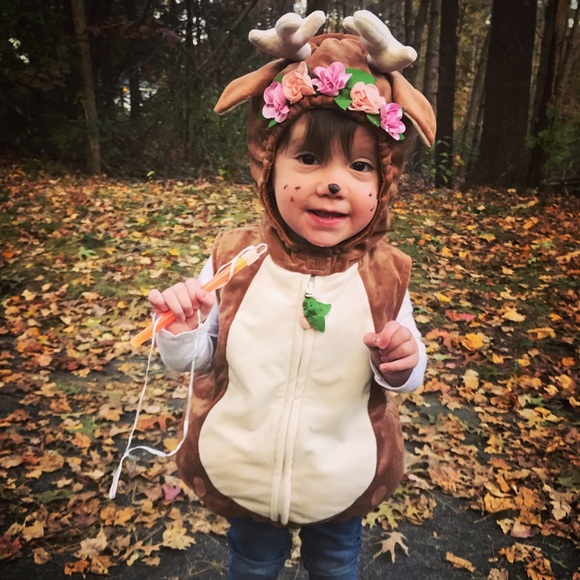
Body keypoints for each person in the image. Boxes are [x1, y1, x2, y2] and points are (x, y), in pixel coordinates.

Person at [148, 10, 435, 580]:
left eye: (359, 166)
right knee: (252, 565)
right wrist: (181, 332)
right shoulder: (235, 258)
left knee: (336, 565)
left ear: (384, 182)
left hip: (340, 476)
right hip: (247, 471)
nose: (332, 183)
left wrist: (404, 361)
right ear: (268, 164)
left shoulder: (386, 275)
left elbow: (405, 371)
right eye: (308, 158)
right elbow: (198, 359)